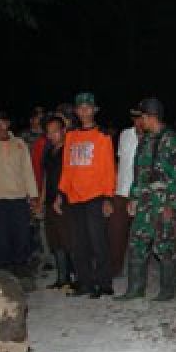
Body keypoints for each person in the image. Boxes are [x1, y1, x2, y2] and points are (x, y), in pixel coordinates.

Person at [117, 98, 176, 301]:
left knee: (164, 246)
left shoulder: (172, 141)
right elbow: (139, 173)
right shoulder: (145, 141)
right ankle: (135, 289)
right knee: (137, 243)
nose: (140, 121)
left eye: (142, 117)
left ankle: (167, 291)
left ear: (150, 117)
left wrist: (171, 206)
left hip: (162, 203)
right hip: (144, 202)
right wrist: (133, 198)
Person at [56, 92, 116, 298]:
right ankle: (85, 283)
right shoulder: (70, 137)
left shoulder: (103, 137)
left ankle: (104, 283)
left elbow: (109, 169)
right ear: (76, 111)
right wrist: (60, 195)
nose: (84, 111)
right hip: (74, 198)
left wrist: (108, 198)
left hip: (95, 196)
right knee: (79, 243)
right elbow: (66, 168)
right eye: (80, 107)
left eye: (88, 107)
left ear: (94, 110)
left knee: (98, 241)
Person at [0, 109, 38, 277]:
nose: (0, 125)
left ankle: (21, 267)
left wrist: (33, 196)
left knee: (22, 234)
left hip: (18, 197)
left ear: (8, 124)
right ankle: (4, 271)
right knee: (0, 237)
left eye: (3, 122)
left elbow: (27, 170)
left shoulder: (20, 144)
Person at [39, 114, 75, 290]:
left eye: (55, 131)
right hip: (50, 200)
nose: (52, 135)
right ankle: (62, 277)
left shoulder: (69, 150)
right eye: (48, 132)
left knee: (68, 238)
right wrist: (41, 199)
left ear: (63, 130)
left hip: (65, 200)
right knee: (55, 240)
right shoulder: (48, 151)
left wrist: (61, 196)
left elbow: (70, 177)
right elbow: (46, 177)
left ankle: (76, 277)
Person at [108, 107, 143, 276]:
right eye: (135, 117)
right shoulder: (125, 134)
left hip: (142, 194)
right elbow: (120, 161)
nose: (138, 121)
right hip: (121, 191)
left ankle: (138, 271)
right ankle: (115, 268)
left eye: (140, 117)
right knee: (116, 231)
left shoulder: (154, 137)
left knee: (140, 234)